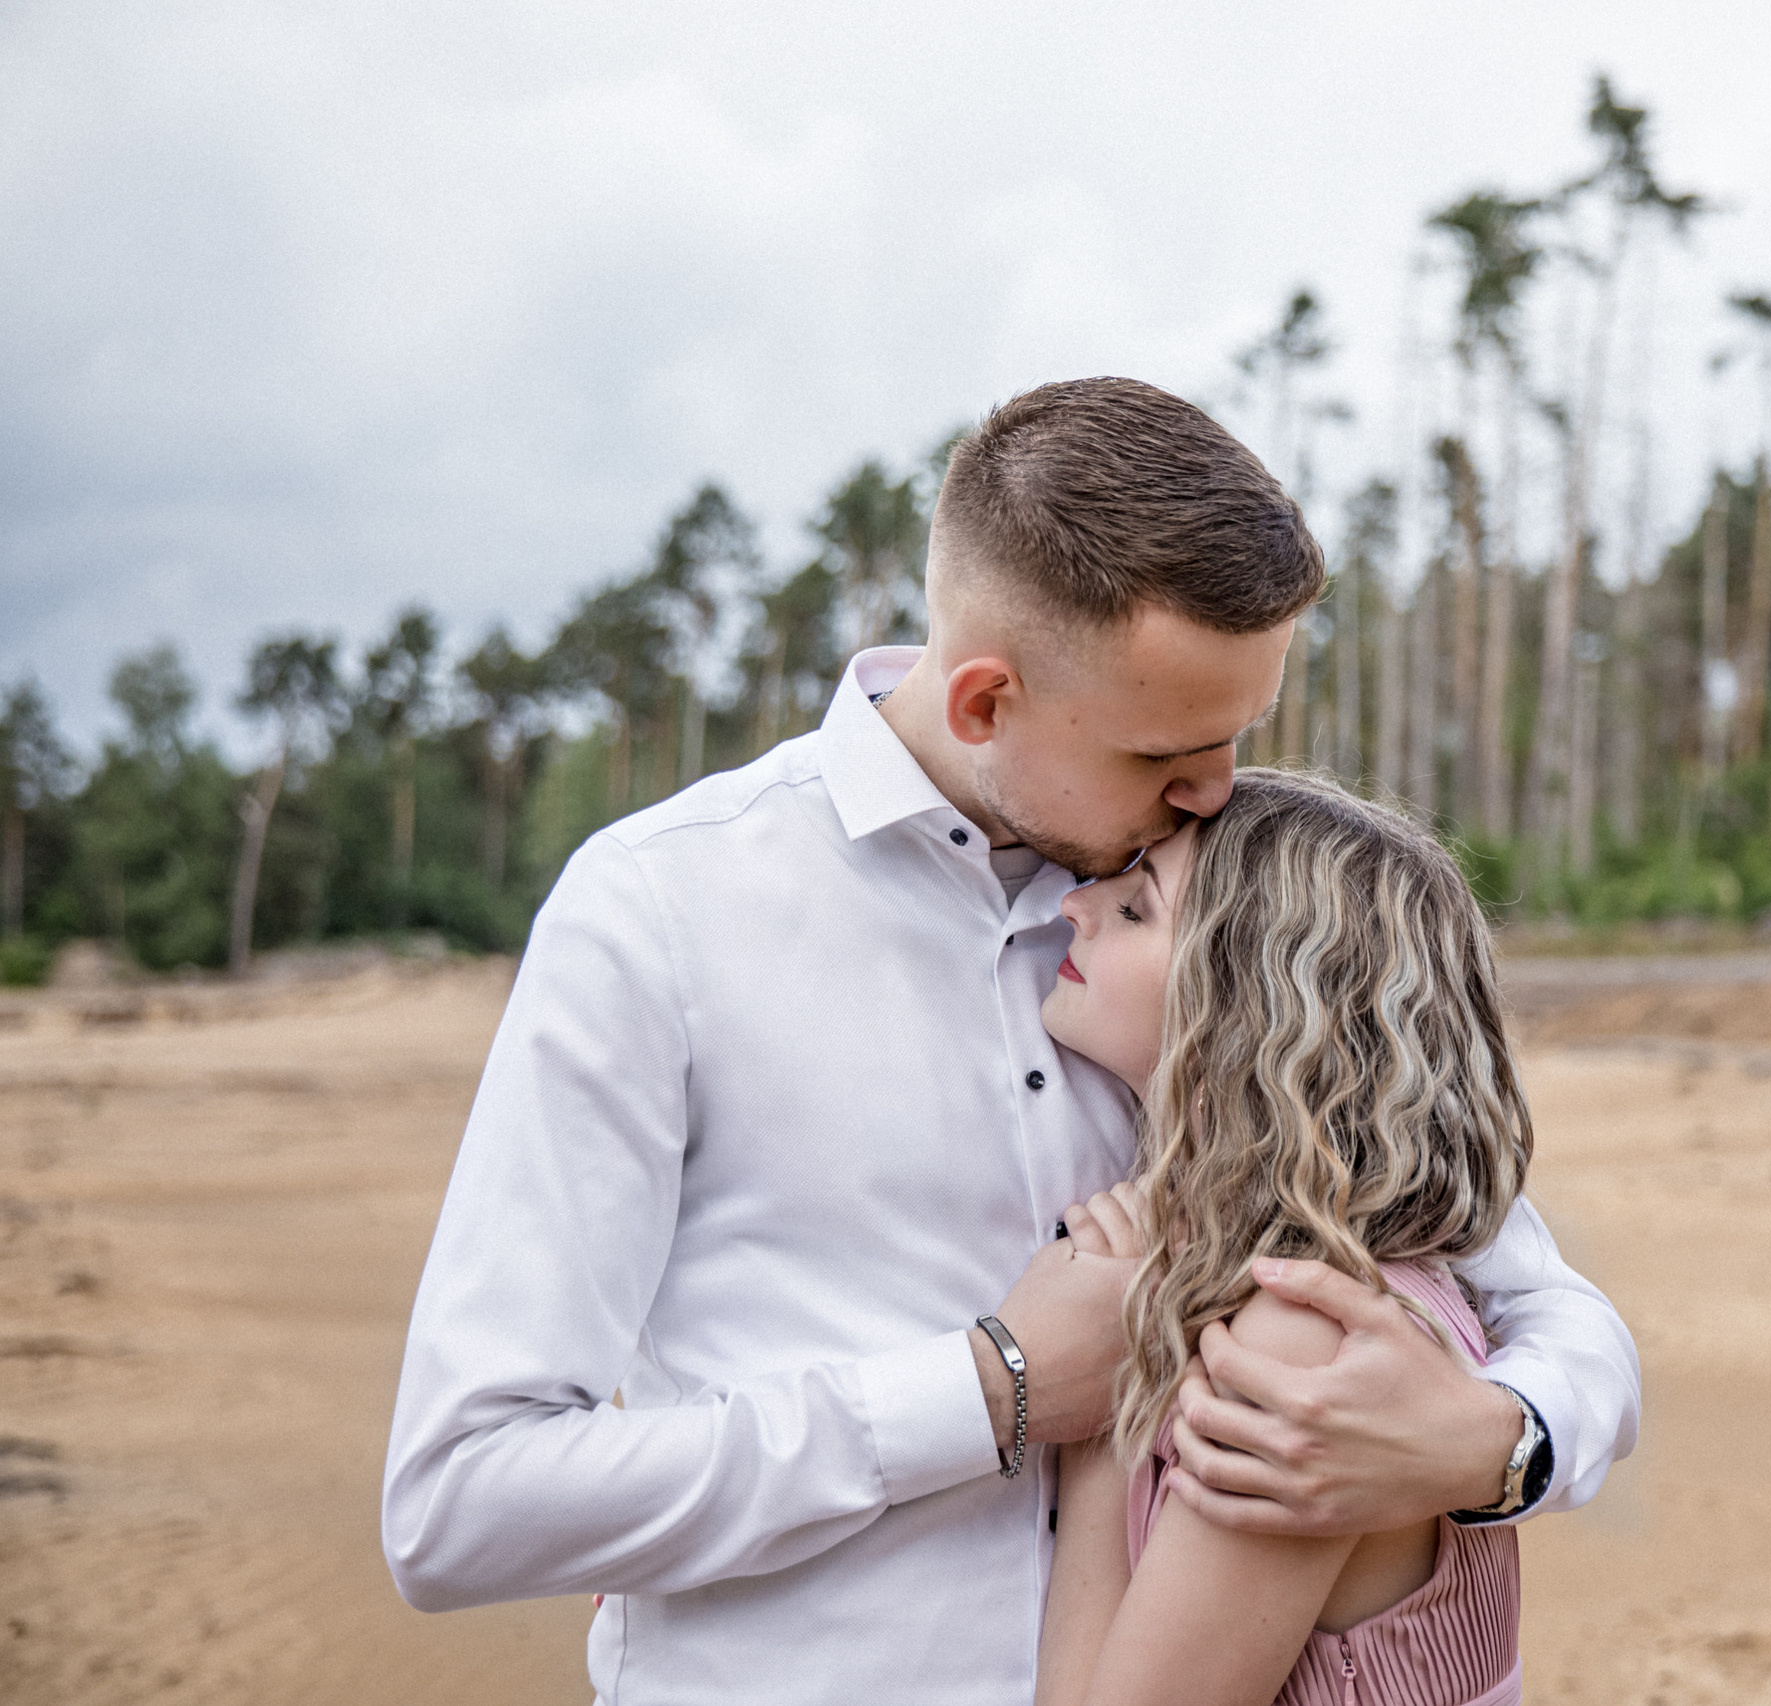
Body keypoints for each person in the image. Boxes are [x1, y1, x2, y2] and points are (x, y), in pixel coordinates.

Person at [382, 377, 1638, 1704]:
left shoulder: (1206, 931)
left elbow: (1533, 1297)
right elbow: (464, 1499)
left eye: (1237, 737)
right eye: (1171, 749)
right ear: (984, 701)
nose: (1216, 790)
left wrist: (1496, 1442)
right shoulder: (661, 909)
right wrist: (992, 1388)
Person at [1035, 769, 1537, 1706]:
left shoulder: (1303, 1343)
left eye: (1138, 909)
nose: (1074, 905)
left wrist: (1099, 1396)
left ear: (1247, 1010)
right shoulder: (1316, 1281)